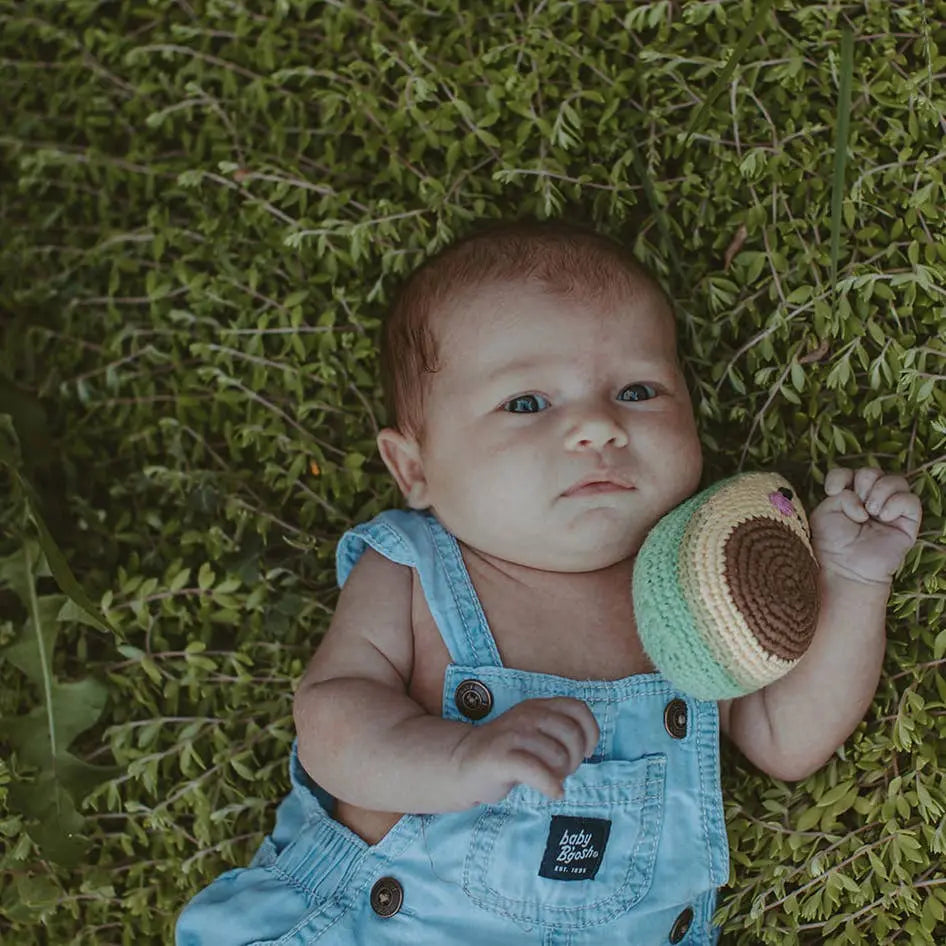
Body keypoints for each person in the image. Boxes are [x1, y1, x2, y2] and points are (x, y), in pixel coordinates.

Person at [176, 218, 922, 946]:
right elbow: (332, 725)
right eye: (527, 403)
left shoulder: (694, 589)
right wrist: (459, 759)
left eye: (637, 391)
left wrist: (855, 581)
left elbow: (783, 738)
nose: (597, 427)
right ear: (414, 468)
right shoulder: (414, 569)